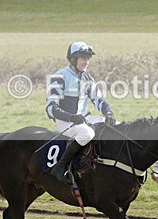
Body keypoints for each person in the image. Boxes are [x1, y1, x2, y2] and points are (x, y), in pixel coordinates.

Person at [45, 41, 116, 183]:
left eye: (88, 58)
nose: (87, 61)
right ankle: (60, 167)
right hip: (65, 121)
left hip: (82, 120)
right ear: (73, 58)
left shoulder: (87, 78)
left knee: (116, 126)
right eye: (83, 58)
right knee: (87, 133)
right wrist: (71, 117)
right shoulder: (60, 76)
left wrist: (109, 113)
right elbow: (51, 108)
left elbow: (99, 100)